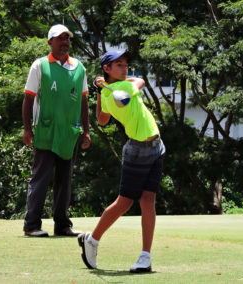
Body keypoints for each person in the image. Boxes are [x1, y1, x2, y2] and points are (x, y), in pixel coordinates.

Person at [78, 50, 165, 272]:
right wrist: (104, 89)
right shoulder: (124, 88)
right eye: (118, 64)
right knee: (124, 202)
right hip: (137, 151)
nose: (125, 68)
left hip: (156, 147)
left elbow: (102, 118)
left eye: (125, 64)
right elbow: (140, 81)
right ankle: (93, 239)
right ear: (106, 69)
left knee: (148, 200)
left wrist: (100, 91)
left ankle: (145, 256)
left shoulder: (108, 95)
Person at [22, 24, 91, 237]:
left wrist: (86, 131)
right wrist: (27, 129)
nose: (65, 42)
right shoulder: (40, 65)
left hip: (69, 134)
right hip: (45, 131)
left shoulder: (79, 67)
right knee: (40, 178)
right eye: (60, 38)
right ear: (50, 42)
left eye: (67, 38)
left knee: (65, 180)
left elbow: (83, 101)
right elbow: (28, 98)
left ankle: (62, 225)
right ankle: (31, 225)